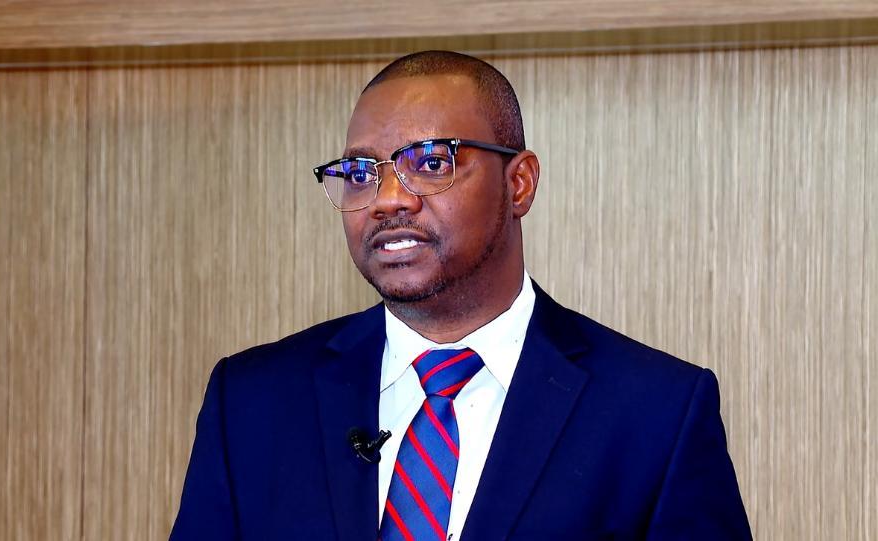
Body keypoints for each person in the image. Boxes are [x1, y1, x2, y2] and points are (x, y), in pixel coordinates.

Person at [171, 50, 752, 540]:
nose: (388, 199)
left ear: (518, 183)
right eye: (361, 173)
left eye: (430, 162)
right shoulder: (250, 402)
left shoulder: (657, 413)